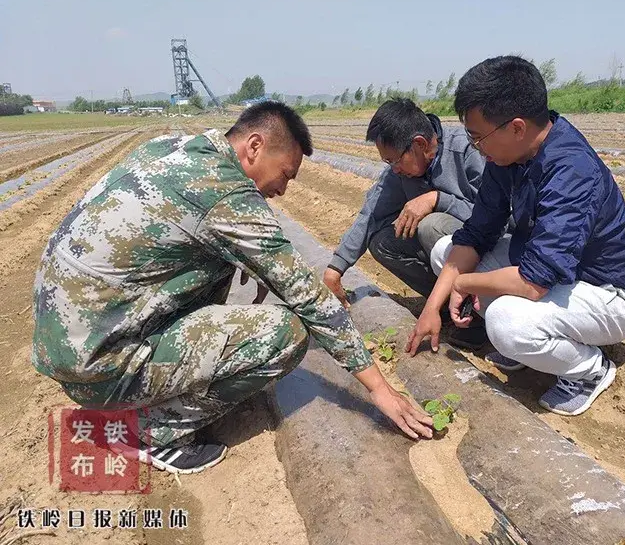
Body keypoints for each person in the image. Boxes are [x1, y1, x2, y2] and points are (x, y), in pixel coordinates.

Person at [32, 101, 432, 475]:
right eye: (286, 174)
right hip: (104, 366)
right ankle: (153, 432)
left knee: (223, 267)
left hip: (71, 345)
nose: (283, 189)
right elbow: (307, 297)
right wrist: (381, 390)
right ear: (255, 147)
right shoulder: (225, 195)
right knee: (286, 333)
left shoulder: (174, 149)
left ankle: (146, 389)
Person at [407, 56, 625, 416]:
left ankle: (588, 370)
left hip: (608, 294)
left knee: (506, 321)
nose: (477, 148)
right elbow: (476, 235)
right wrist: (431, 307)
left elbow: (533, 284)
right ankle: (531, 350)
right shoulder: (508, 159)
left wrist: (465, 285)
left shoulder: (571, 170)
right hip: (554, 274)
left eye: (478, 138)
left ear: (517, 128)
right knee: (448, 251)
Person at [323, 98, 485, 311]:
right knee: (382, 241)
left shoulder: (467, 150)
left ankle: (476, 311)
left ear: (420, 144)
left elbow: (497, 215)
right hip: (449, 248)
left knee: (430, 225)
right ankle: (445, 306)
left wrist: (437, 199)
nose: (394, 168)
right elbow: (371, 213)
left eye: (395, 160)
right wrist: (336, 268)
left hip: (489, 245)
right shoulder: (401, 173)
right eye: (388, 162)